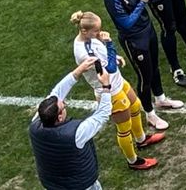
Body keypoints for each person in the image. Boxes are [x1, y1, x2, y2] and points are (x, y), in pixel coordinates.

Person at [70, 11, 164, 172]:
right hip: (109, 91)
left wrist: (113, 53)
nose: (99, 33)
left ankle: (141, 140)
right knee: (124, 127)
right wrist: (110, 44)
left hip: (118, 82)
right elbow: (110, 67)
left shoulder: (89, 38)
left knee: (135, 106)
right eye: (96, 31)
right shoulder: (85, 53)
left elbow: (105, 55)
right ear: (84, 31)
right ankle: (133, 160)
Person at [103, 0, 184, 131]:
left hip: (147, 30)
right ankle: (150, 114)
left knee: (154, 67)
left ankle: (160, 99)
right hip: (134, 39)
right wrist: (142, 1)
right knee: (144, 77)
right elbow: (126, 23)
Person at [29, 56, 112, 190]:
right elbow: (103, 114)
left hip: (53, 185)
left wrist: (78, 71)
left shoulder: (35, 125)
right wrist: (106, 86)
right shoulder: (75, 134)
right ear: (60, 117)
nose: (64, 103)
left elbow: (56, 93)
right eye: (64, 106)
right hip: (81, 185)